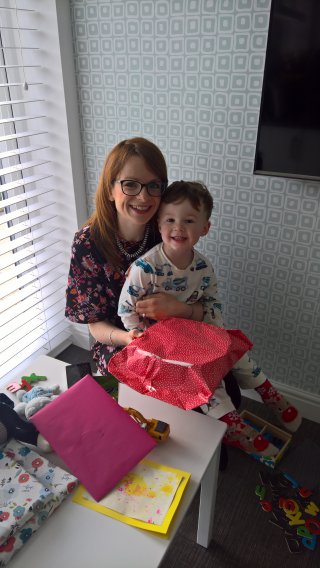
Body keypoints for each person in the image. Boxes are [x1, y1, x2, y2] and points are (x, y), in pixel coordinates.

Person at [118, 181, 302, 457]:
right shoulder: (146, 268)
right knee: (203, 377)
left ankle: (268, 392)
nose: (178, 227)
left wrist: (215, 338)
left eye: (189, 221)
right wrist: (138, 335)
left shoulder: (203, 267)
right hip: (162, 344)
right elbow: (126, 308)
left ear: (204, 228)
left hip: (197, 331)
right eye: (170, 220)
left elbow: (213, 304)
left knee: (232, 347)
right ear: (159, 224)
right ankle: (234, 425)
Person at [65, 138, 204, 378]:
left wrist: (179, 308)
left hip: (172, 330)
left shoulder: (168, 231)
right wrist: (130, 338)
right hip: (119, 341)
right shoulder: (87, 245)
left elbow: (204, 301)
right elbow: (95, 324)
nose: (143, 197)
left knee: (219, 384)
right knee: (153, 384)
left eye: (153, 185)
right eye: (130, 184)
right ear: (110, 189)